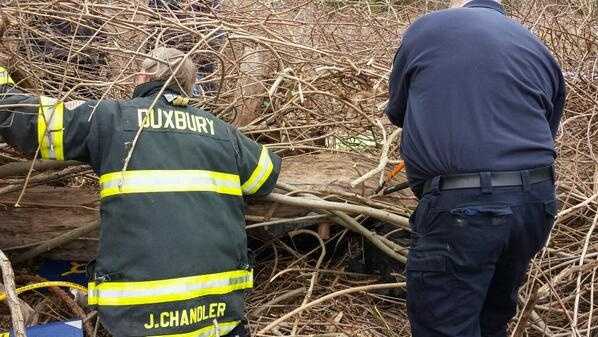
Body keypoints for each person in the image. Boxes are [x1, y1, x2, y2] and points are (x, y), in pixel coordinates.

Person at [0, 47, 281, 337]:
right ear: (188, 85)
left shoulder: (110, 119)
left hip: (136, 318)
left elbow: (25, 119)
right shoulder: (224, 133)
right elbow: (266, 175)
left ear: (143, 75)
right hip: (220, 317)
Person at [385, 1, 565, 337]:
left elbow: (398, 110)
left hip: (464, 209)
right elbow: (546, 129)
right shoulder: (534, 44)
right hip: (534, 205)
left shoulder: (428, 28)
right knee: (490, 320)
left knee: (446, 324)